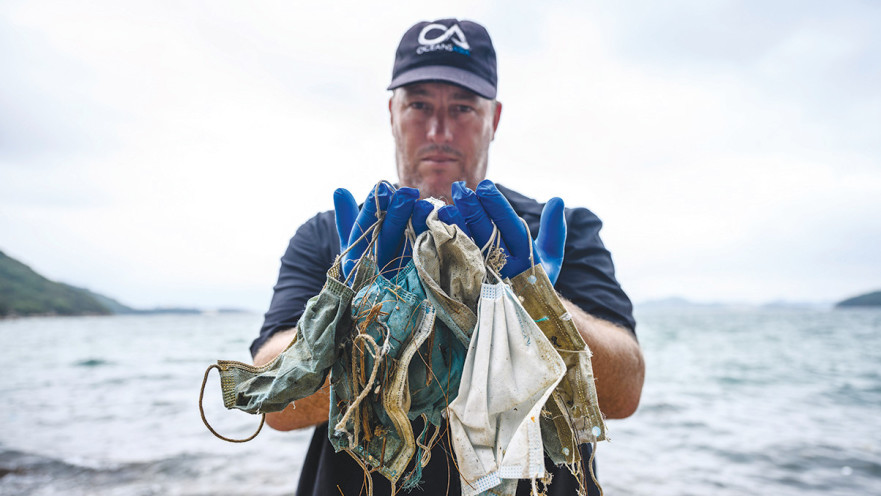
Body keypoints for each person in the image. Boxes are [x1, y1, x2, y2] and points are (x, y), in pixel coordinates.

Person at [250, 18, 645, 496]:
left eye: (462, 108)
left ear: (493, 119)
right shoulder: (332, 237)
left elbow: (626, 392)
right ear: (391, 112)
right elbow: (272, 406)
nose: (439, 129)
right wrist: (356, 322)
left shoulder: (555, 233)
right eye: (419, 105)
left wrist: (535, 305)